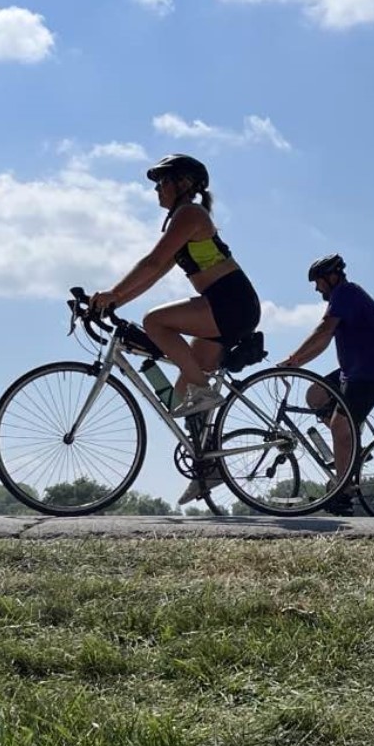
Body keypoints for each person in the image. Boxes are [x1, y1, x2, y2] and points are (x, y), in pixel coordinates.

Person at [88, 154, 261, 504]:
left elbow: (151, 262)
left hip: (230, 303)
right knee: (183, 397)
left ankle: (204, 390)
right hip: (226, 306)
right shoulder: (179, 222)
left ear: (183, 184)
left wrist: (112, 294)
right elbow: (155, 273)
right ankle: (209, 467)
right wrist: (116, 302)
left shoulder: (190, 215)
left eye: (162, 182)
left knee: (154, 322)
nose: (156, 189)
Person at [278, 254, 374, 514]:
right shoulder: (343, 296)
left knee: (340, 424)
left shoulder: (346, 293)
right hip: (355, 370)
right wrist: (297, 362)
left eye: (318, 282)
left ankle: (343, 489)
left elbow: (323, 333)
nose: (316, 288)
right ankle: (352, 444)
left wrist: (293, 360)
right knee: (315, 395)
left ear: (331, 277)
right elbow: (323, 339)